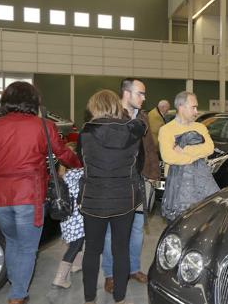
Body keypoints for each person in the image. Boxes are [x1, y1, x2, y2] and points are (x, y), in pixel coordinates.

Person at [0, 81, 81, 304]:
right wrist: (79, 164)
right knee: (27, 248)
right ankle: (17, 296)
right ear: (34, 101)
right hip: (30, 197)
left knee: (12, 242)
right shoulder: (43, 126)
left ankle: (15, 283)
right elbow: (64, 154)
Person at [78, 89, 146, 304]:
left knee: (92, 250)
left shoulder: (85, 134)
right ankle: (120, 298)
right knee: (121, 250)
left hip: (92, 200)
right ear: (116, 106)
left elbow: (82, 162)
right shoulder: (133, 133)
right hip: (124, 199)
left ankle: (89, 298)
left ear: (94, 107)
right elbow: (139, 164)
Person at [102, 78, 159, 293]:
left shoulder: (142, 117)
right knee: (112, 232)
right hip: (116, 183)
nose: (144, 98)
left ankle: (133, 268)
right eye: (140, 93)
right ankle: (110, 274)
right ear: (126, 93)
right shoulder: (111, 116)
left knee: (136, 229)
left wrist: (152, 175)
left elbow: (150, 148)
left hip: (139, 181)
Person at [159, 91, 218, 222]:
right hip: (178, 190)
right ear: (181, 107)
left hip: (201, 186)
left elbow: (209, 148)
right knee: (180, 226)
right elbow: (168, 156)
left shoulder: (200, 127)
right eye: (193, 107)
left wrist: (183, 149)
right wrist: (193, 157)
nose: (196, 111)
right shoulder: (166, 130)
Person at [52, 143, 84, 289]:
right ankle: (60, 278)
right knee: (76, 244)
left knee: (74, 242)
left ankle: (76, 265)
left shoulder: (60, 175)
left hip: (66, 215)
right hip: (76, 215)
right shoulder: (77, 173)